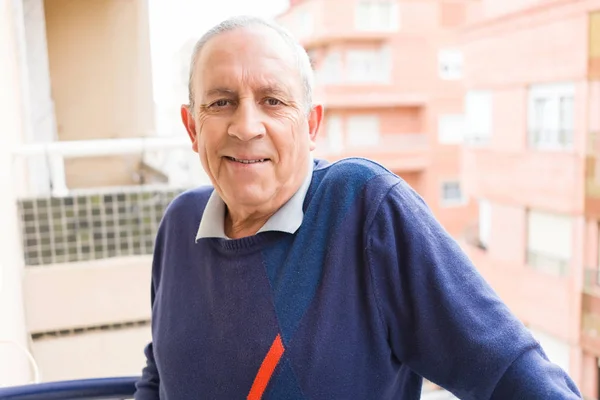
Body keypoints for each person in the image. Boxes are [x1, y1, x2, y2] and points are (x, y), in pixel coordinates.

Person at [134, 15, 582, 400]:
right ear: (192, 127)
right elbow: (160, 376)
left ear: (311, 125)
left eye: (273, 100)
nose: (247, 126)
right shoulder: (180, 224)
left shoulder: (363, 208)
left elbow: (511, 375)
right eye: (221, 102)